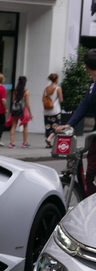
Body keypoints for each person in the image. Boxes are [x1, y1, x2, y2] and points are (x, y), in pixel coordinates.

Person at [57, 48, 96, 196]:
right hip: (95, 136)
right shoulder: (93, 86)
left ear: (86, 67)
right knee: (90, 173)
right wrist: (70, 124)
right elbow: (85, 105)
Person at [6, 76, 32, 148]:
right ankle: (25, 143)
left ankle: (12, 143)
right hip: (24, 110)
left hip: (16, 110)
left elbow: (13, 101)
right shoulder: (27, 91)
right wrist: (31, 113)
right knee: (25, 126)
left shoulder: (15, 91)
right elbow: (27, 103)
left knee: (14, 126)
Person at [43, 73, 63, 147]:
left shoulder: (46, 88)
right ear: (56, 80)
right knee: (56, 126)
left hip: (46, 111)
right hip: (55, 110)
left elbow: (43, 99)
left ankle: (48, 143)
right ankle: (49, 139)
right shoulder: (58, 88)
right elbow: (61, 100)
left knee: (48, 126)